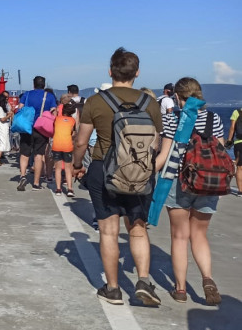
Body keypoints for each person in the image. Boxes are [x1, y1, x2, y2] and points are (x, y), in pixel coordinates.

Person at [73, 47, 163, 306]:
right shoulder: (150, 103)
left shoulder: (96, 102)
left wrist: (78, 165)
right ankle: (144, 281)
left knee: (109, 231)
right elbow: (155, 142)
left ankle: (112, 289)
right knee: (137, 228)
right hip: (140, 172)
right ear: (137, 73)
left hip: (104, 169)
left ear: (110, 71)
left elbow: (81, 141)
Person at [154, 77, 225, 304]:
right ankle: (207, 279)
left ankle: (181, 289)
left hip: (178, 182)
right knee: (199, 235)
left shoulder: (172, 119)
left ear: (177, 96)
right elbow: (221, 153)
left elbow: (163, 156)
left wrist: (145, 176)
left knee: (179, 236)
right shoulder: (214, 119)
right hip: (208, 183)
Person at [16, 75, 57, 191]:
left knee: (24, 153)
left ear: (33, 84)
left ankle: (23, 176)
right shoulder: (49, 96)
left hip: (27, 128)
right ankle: (36, 182)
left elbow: (20, 108)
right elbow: (54, 112)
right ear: (44, 85)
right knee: (39, 155)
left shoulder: (26, 94)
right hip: (41, 129)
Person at [52, 100, 77, 196]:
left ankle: (58, 189)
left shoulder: (57, 119)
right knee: (68, 168)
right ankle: (70, 189)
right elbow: (73, 133)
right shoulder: (72, 121)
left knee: (58, 168)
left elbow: (54, 130)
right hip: (67, 146)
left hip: (57, 145)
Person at [227, 106, 242, 195]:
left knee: (240, 167)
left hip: (239, 142)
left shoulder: (236, 112)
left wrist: (229, 140)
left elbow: (232, 127)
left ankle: (240, 191)